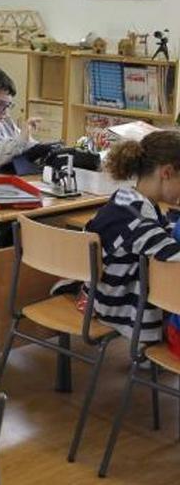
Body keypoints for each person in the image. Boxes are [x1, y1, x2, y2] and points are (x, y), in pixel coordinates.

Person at [85, 130, 180, 343]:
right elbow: (172, 253)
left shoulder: (126, 200)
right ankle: (147, 349)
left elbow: (158, 233)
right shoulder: (138, 221)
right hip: (117, 308)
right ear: (166, 173)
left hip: (99, 293)